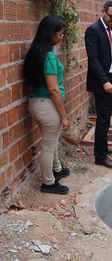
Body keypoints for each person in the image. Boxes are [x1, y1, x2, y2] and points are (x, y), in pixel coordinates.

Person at [24, 15, 70, 195]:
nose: (61, 37)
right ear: (51, 34)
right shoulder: (49, 57)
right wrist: (64, 115)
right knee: (48, 147)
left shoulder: (34, 53)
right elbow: (53, 89)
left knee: (51, 141)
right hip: (48, 106)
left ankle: (57, 169)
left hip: (35, 103)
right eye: (60, 34)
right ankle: (48, 183)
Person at [85, 0, 112, 169]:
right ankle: (100, 156)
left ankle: (103, 148)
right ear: (103, 11)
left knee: (106, 118)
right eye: (111, 17)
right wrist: (105, 81)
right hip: (102, 81)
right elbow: (94, 59)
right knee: (103, 118)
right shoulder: (93, 30)